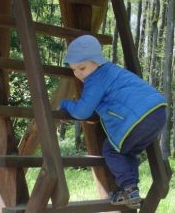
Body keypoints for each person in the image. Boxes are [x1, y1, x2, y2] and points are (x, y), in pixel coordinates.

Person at [60, 35, 167, 209]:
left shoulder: (95, 79)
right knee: (127, 151)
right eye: (74, 70)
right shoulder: (114, 71)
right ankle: (130, 189)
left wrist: (64, 103)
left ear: (97, 62)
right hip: (158, 112)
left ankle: (129, 188)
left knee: (112, 150)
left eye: (82, 68)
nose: (79, 74)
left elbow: (82, 111)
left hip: (138, 118)